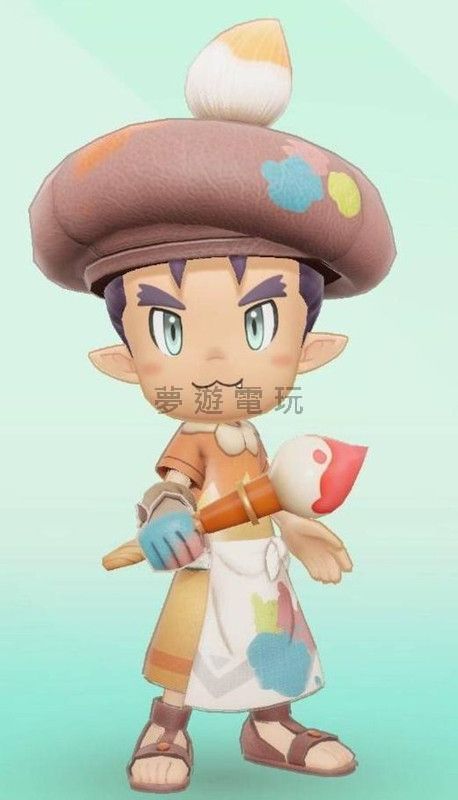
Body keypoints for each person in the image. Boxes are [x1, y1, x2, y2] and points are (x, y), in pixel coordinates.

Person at [29, 18, 395, 794]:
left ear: (309, 348)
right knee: (191, 655)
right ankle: (166, 726)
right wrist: (163, 516)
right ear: (126, 360)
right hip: (204, 563)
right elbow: (170, 483)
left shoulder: (257, 435)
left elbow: (272, 493)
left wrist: (302, 530)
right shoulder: (196, 435)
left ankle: (271, 725)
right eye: (170, 328)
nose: (221, 364)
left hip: (260, 563)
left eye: (259, 324)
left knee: (273, 645)